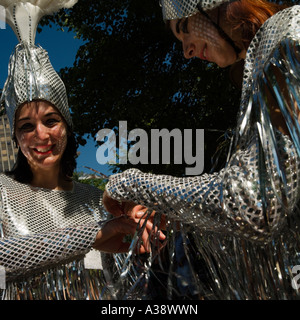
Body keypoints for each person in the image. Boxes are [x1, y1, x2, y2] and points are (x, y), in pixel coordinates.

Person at [104, 0, 300, 299]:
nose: (186, 51)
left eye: (185, 29)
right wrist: (168, 208)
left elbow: (253, 202)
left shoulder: (287, 36)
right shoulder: (272, 44)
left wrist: (127, 183)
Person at [0, 0, 163, 300]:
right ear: (15, 137)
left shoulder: (96, 202)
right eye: (26, 126)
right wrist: (92, 235)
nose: (41, 135)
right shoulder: (2, 192)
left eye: (51, 121)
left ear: (67, 126)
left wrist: (145, 238)